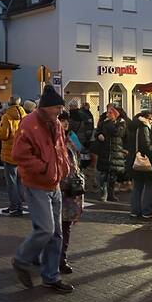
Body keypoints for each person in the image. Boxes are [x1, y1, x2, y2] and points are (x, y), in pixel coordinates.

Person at [10, 86, 74, 294]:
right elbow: (19, 154)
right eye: (57, 107)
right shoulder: (29, 124)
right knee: (46, 229)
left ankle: (51, 276)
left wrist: (64, 169)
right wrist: (45, 168)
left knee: (56, 235)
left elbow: (61, 148)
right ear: (46, 107)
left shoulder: (54, 123)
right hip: (37, 184)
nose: (60, 111)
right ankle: (21, 260)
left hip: (53, 183)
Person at [58, 111, 84, 275]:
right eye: (62, 120)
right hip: (58, 187)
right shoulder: (52, 140)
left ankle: (61, 259)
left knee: (65, 225)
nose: (65, 123)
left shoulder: (71, 139)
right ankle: (51, 257)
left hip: (71, 188)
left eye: (66, 121)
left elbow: (78, 156)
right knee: (54, 227)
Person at [126, 110, 152, 219]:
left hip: (134, 160)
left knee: (137, 187)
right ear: (148, 118)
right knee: (149, 185)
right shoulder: (144, 127)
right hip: (144, 161)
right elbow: (146, 146)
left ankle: (135, 210)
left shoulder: (133, 126)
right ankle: (147, 211)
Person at [0, 96, 27, 216]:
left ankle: (14, 205)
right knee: (19, 181)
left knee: (11, 181)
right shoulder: (25, 117)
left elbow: (4, 134)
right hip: (21, 152)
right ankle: (19, 205)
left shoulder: (6, 116)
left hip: (9, 152)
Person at [94, 105, 127, 201]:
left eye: (110, 113)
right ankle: (103, 193)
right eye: (108, 113)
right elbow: (97, 131)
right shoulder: (103, 122)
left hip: (116, 150)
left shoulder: (121, 123)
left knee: (113, 174)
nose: (108, 114)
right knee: (103, 173)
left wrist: (108, 123)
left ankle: (111, 194)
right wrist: (99, 135)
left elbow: (117, 132)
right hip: (104, 150)